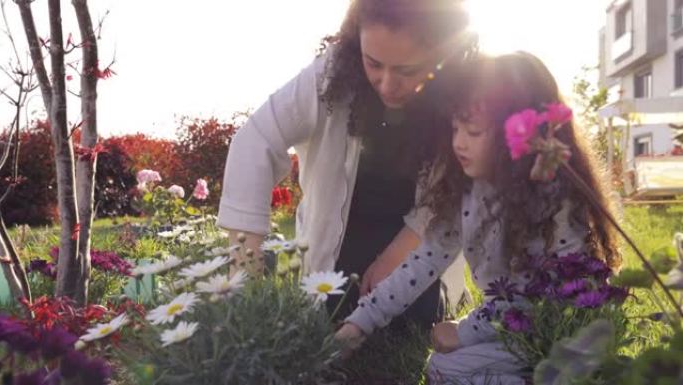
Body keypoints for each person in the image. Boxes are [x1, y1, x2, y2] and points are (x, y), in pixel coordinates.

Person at [335, 51, 622, 384]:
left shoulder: (556, 196)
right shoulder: (464, 190)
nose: (458, 143)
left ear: (518, 136)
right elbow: (421, 264)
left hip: (563, 332)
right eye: (455, 128)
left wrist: (467, 331)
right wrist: (358, 324)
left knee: (448, 368)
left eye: (473, 132)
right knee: (443, 367)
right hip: (508, 329)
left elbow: (547, 296)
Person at [217, 0, 476, 327]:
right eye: (374, 64)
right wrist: (245, 270)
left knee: (411, 319)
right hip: (337, 247)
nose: (386, 83)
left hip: (416, 248)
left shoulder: (462, 91)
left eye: (406, 70)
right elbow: (254, 142)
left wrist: (396, 255)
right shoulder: (329, 73)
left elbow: (460, 188)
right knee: (333, 312)